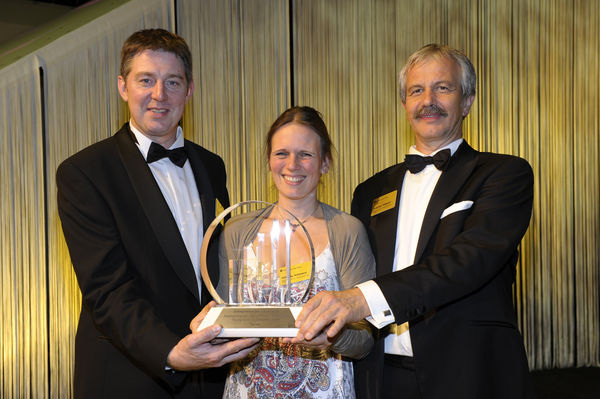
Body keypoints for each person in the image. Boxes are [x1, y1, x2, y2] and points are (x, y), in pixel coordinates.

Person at [292, 44, 536, 399]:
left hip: (470, 373)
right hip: (381, 378)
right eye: (416, 90)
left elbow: (466, 262)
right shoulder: (370, 191)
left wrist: (361, 299)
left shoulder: (503, 174)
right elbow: (355, 272)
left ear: (467, 102)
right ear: (404, 104)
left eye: (443, 87)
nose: (428, 100)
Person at [56, 28, 258, 399]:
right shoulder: (85, 172)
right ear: (123, 86)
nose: (159, 95)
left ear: (190, 90)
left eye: (172, 82)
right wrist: (169, 352)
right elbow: (107, 288)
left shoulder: (211, 165)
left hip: (209, 377)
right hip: (129, 374)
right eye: (145, 80)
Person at [215, 106, 376, 398]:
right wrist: (210, 326)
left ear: (325, 163)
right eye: (281, 153)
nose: (293, 164)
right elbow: (224, 322)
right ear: (269, 160)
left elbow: (364, 339)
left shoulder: (347, 231)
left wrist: (331, 337)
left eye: (306, 154)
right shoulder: (237, 232)